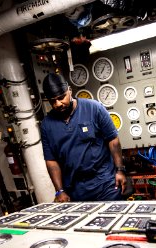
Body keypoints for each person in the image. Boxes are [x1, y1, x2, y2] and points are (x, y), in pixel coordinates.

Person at [40, 72, 127, 202]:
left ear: (69, 90)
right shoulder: (47, 125)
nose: (58, 104)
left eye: (61, 97)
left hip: (105, 183)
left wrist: (120, 170)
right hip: (75, 190)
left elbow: (113, 140)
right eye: (53, 101)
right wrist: (59, 190)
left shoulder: (94, 108)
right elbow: (51, 161)